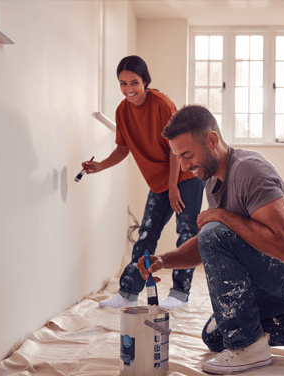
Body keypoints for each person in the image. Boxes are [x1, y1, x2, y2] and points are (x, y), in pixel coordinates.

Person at [137, 104, 284, 375]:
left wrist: (220, 216)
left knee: (217, 236)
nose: (184, 165)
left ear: (212, 140)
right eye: (178, 157)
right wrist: (163, 261)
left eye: (187, 155)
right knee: (217, 335)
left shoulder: (250, 170)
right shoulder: (213, 182)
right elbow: (207, 245)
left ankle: (249, 348)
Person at [82, 56, 205, 310]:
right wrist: (100, 166)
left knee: (186, 234)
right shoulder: (121, 111)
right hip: (161, 180)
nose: (129, 89)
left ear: (145, 81)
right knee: (146, 235)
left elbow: (175, 149)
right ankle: (128, 292)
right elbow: (123, 148)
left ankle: (180, 294)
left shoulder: (162, 104)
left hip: (187, 174)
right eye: (123, 83)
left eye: (134, 82)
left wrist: (174, 187)